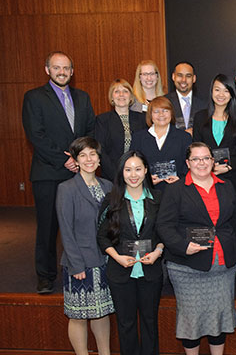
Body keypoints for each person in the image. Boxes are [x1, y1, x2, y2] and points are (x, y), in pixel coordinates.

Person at [157, 142, 236, 355]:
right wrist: (183, 246)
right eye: (196, 159)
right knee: (192, 321)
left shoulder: (226, 186)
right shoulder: (176, 189)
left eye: (206, 158)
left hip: (223, 265)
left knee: (220, 317)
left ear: (213, 161)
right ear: (188, 163)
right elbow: (164, 225)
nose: (202, 163)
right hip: (187, 267)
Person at [22, 51, 96, 293]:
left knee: (80, 225)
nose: (61, 72)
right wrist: (64, 160)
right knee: (48, 227)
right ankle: (45, 276)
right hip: (48, 173)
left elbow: (89, 131)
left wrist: (80, 159)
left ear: (72, 72)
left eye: (66, 68)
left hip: (79, 173)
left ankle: (81, 268)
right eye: (56, 67)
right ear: (47, 70)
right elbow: (36, 135)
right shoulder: (33, 97)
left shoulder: (83, 97)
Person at [97, 150, 164, 355]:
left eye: (137, 169)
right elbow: (101, 237)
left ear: (146, 171)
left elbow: (164, 233)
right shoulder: (111, 200)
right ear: (121, 173)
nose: (133, 174)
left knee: (150, 323)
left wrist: (158, 251)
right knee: (125, 324)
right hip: (120, 273)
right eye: (128, 170)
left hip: (150, 271)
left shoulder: (158, 198)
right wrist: (116, 257)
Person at [56, 137, 114, 355]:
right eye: (83, 155)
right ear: (76, 160)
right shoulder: (67, 188)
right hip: (79, 263)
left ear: (99, 159)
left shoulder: (108, 186)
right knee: (78, 315)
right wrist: (76, 265)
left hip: (105, 260)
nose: (89, 159)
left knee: (102, 311)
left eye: (93, 154)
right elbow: (66, 229)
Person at [193, 74, 236, 197]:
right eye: (217, 90)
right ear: (211, 91)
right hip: (205, 176)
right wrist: (209, 166)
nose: (221, 95)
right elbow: (195, 147)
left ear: (231, 94)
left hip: (233, 177)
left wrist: (228, 167)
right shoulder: (200, 117)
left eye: (226, 91)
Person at [130, 96, 192, 190]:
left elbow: (190, 164)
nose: (161, 114)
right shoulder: (138, 138)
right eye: (156, 111)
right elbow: (133, 164)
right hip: (148, 192)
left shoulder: (184, 137)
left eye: (165, 110)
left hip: (178, 191)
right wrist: (146, 179)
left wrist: (180, 179)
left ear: (171, 113)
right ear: (150, 115)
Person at [95, 79, 147, 180]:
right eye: (117, 91)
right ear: (112, 97)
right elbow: (101, 150)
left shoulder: (142, 118)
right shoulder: (102, 120)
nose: (121, 95)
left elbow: (146, 147)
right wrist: (116, 175)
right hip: (111, 176)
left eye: (125, 91)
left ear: (131, 96)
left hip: (138, 175)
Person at [165, 61, 208, 134]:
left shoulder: (204, 106)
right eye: (180, 75)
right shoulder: (164, 102)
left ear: (194, 79)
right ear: (173, 77)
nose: (183, 80)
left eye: (188, 76)